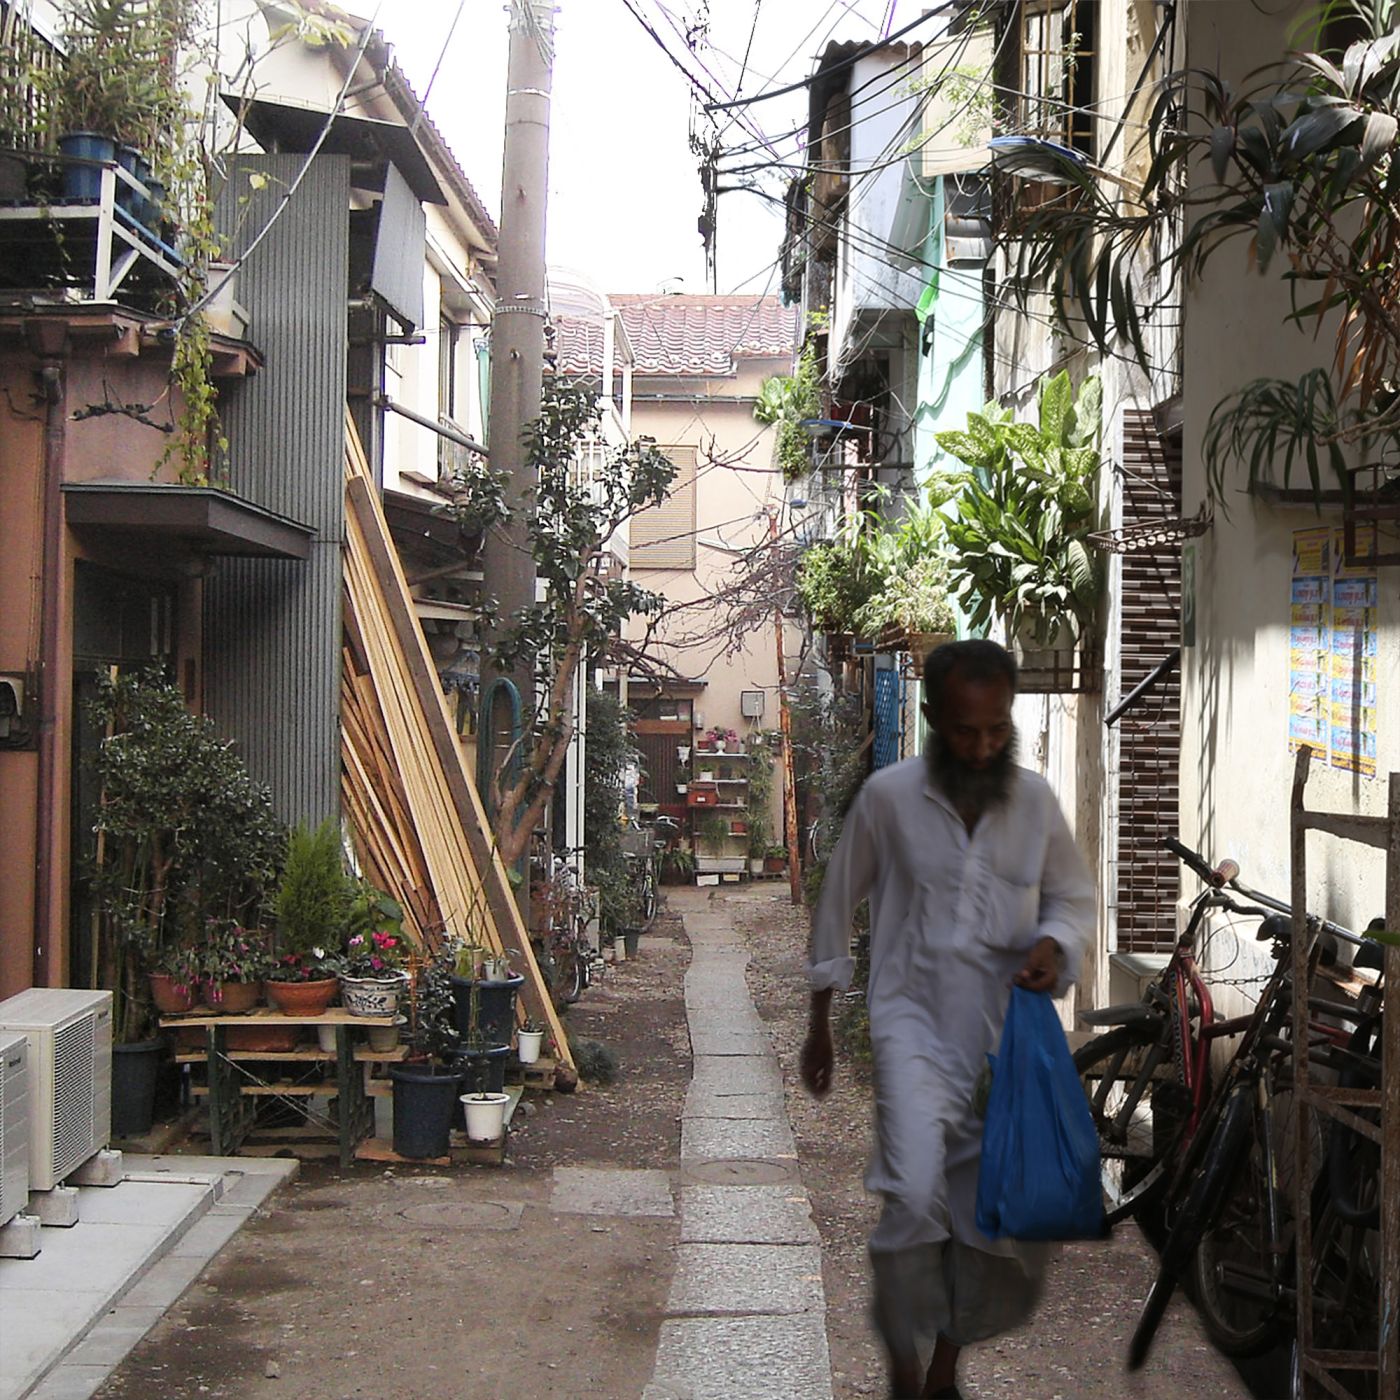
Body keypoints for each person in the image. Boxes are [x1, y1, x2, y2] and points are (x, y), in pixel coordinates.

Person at [800, 639, 1094, 1400]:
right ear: (933, 717)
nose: (983, 746)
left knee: (983, 1216)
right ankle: (904, 1361)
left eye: (997, 729)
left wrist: (1055, 945)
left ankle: (943, 1370)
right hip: (910, 1025)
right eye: (966, 731)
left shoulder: (1035, 804)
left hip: (1003, 1040)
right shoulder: (890, 799)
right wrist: (820, 1019)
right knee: (914, 1194)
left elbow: (1072, 900)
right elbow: (838, 900)